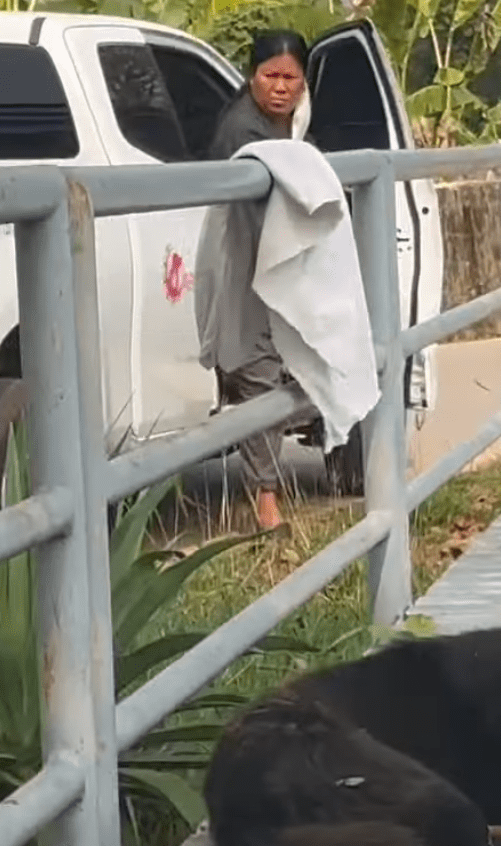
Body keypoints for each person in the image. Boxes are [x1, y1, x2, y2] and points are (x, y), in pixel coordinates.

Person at [202, 30, 312, 531]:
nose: (281, 87)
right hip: (244, 265)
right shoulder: (242, 130)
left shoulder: (300, 121)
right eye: (271, 76)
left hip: (285, 266)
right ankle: (267, 505)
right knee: (258, 373)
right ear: (253, 76)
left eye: (291, 77)